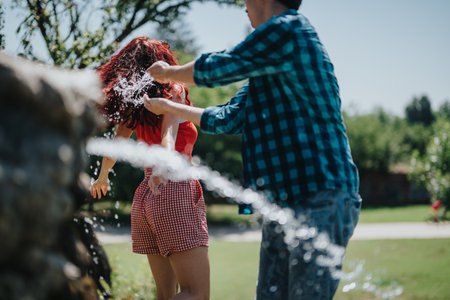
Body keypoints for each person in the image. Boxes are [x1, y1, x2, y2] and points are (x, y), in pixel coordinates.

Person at [144, 0, 362, 299]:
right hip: (282, 204)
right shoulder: (268, 66)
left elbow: (224, 65)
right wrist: (170, 107)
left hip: (320, 196)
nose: (243, 6)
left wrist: (169, 73)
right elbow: (229, 118)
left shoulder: (289, 30)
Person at [90, 36, 210, 300]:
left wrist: (102, 177)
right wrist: (163, 166)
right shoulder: (173, 90)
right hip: (172, 186)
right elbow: (169, 136)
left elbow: (115, 146)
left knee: (165, 294)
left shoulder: (136, 103)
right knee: (196, 293)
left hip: (146, 197)